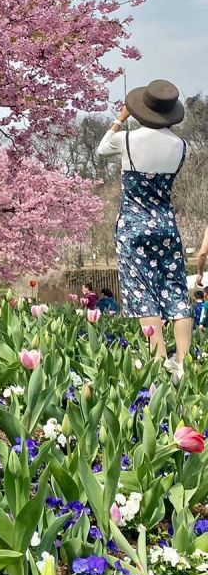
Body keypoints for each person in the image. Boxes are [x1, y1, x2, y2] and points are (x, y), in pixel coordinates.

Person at [96, 79, 191, 382]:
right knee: (175, 289)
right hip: (166, 225)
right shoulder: (182, 146)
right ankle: (184, 363)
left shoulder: (126, 140)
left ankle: (160, 360)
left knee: (142, 291)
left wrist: (119, 119)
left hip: (134, 226)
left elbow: (101, 150)